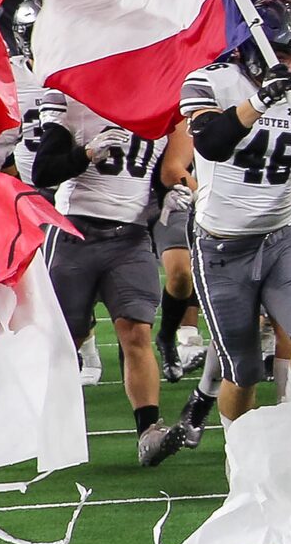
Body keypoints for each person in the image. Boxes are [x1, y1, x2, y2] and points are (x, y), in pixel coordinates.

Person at [176, 0, 291, 430]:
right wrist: (259, 101)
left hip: (280, 238)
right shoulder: (209, 81)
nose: (290, 67)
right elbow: (211, 142)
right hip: (221, 247)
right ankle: (244, 464)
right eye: (280, 55)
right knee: (243, 371)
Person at [23, 75, 184, 467]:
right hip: (75, 230)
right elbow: (42, 172)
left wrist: (170, 198)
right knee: (64, 338)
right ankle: (37, 426)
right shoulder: (75, 104)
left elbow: (157, 177)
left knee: (136, 330)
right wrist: (85, 154)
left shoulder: (159, 112)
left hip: (129, 237)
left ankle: (149, 430)